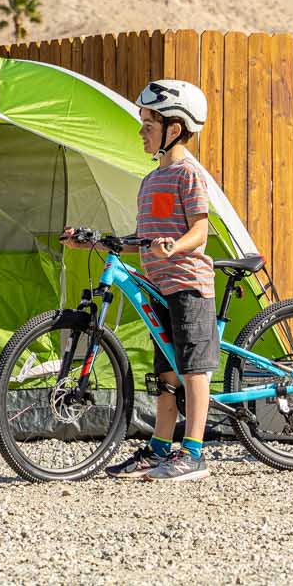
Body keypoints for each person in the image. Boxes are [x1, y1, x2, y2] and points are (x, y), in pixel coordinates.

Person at [64, 78, 216, 482]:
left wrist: (176, 247)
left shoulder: (189, 175)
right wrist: (91, 240)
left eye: (148, 124)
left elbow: (200, 232)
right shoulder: (150, 181)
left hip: (187, 283)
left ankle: (195, 453)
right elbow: (144, 241)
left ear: (175, 128)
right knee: (166, 374)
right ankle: (160, 449)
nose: (140, 132)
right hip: (160, 286)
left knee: (192, 370)